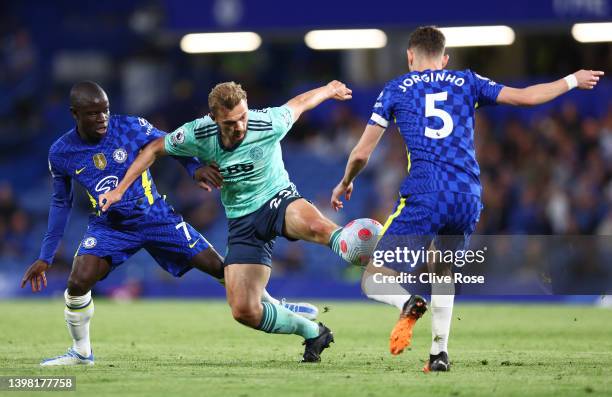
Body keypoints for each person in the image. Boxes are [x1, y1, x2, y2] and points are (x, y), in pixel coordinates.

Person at [330, 26, 604, 372]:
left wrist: (345, 181)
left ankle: (407, 302)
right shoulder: (467, 81)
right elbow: (527, 97)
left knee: (373, 277)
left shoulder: (397, 88)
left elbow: (361, 153)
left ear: (410, 56)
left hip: (426, 191)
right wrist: (572, 80)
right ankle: (439, 353)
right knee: (442, 268)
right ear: (445, 60)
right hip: (468, 194)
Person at [21, 81, 317, 367]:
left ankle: (277, 306)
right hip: (110, 226)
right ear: (75, 114)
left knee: (221, 269)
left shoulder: (130, 127)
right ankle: (81, 352)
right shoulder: (61, 152)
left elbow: (173, 142)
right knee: (77, 282)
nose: (102, 118)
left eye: (105, 110)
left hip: (156, 218)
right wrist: (46, 256)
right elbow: (61, 203)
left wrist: (195, 169)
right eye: (92, 113)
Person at [99, 80, 353, 362]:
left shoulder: (268, 122)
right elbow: (153, 150)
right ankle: (312, 330)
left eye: (243, 117)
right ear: (214, 118)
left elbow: (299, 103)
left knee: (319, 228)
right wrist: (120, 190)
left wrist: (329, 89)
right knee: (244, 310)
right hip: (242, 220)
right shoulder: (197, 132)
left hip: (278, 199)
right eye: (231, 122)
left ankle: (379, 263)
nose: (240, 126)